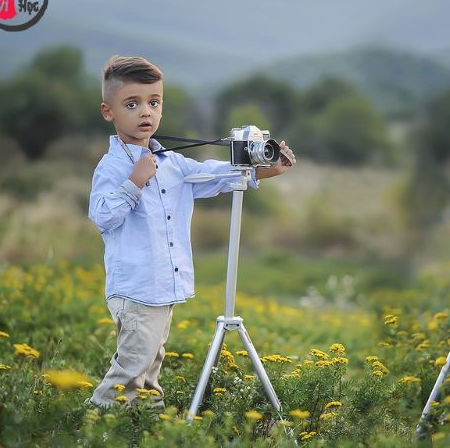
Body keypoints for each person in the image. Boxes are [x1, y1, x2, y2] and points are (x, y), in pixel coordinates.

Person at [87, 55, 296, 408]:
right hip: (136, 288)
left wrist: (265, 170)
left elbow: (213, 175)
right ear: (108, 111)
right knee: (132, 365)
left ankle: (147, 420)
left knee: (151, 363)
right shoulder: (113, 166)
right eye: (132, 104)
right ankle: (93, 424)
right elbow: (102, 216)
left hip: (162, 286)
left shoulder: (173, 162)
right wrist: (134, 183)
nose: (145, 113)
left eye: (154, 103)